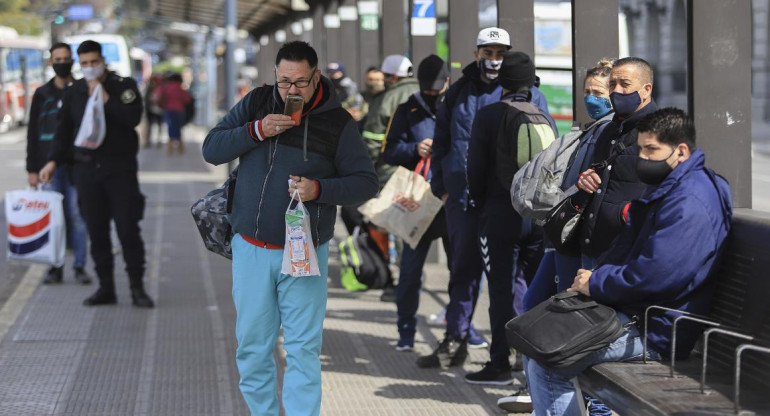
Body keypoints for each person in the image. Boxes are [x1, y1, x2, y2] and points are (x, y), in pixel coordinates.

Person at [201, 41, 378, 415]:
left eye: (300, 82)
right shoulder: (257, 103)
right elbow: (212, 148)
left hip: (305, 252)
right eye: (284, 82)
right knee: (253, 347)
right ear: (274, 77)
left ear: (316, 77)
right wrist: (255, 130)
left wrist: (320, 190)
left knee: (302, 349)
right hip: (250, 248)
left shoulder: (337, 122)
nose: (291, 91)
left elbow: (365, 182)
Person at [526, 107, 733, 415]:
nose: (643, 158)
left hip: (659, 329)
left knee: (548, 361)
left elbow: (658, 273)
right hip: (641, 313)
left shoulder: (690, 201)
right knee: (541, 337)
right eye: (641, 149)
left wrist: (596, 283)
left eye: (652, 150)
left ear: (681, 151)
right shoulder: (672, 186)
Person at [419, 27, 555, 371]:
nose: (493, 59)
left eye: (500, 53)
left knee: (513, 278)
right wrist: (443, 186)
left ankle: (516, 345)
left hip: (506, 205)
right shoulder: (459, 92)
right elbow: (443, 140)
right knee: (462, 271)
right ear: (477, 53)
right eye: (488, 52)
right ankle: (456, 337)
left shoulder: (531, 96)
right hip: (463, 200)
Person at [501, 59, 615, 414]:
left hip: (579, 244)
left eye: (599, 93)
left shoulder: (610, 132)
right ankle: (540, 388)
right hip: (562, 239)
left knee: (574, 325)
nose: (591, 99)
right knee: (534, 311)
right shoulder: (590, 130)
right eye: (587, 92)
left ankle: (594, 405)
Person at [39, 40, 152, 308]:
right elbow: (64, 132)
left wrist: (106, 100)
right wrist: (52, 161)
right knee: (96, 231)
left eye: (94, 62)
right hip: (87, 171)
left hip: (119, 171)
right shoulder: (74, 92)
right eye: (85, 64)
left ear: (102, 61)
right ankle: (106, 288)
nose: (89, 68)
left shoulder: (123, 86)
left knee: (127, 229)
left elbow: (133, 119)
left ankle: (137, 287)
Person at [465, 51, 550, 385]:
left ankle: (500, 363)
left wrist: (483, 204)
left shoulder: (488, 116)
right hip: (538, 220)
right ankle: (539, 367)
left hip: (500, 215)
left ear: (501, 80)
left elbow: (474, 170)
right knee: (538, 292)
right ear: (530, 83)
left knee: (500, 292)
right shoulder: (543, 116)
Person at [382, 54, 453, 351]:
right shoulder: (406, 108)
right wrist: (415, 148)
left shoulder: (457, 106)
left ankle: (458, 329)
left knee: (460, 269)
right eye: (428, 91)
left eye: (438, 90)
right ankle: (406, 331)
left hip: (450, 201)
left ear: (447, 82)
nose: (434, 95)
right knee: (410, 272)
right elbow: (389, 151)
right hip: (417, 201)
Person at [576, 57, 659, 269]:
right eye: (612, 84)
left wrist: (628, 214)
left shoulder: (660, 133)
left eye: (625, 84)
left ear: (646, 90)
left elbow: (671, 188)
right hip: (593, 249)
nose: (616, 91)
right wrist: (585, 180)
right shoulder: (608, 131)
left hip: (627, 255)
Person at [25, 42, 91, 285]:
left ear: (72, 61)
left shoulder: (82, 90)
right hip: (47, 168)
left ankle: (80, 266)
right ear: (51, 62)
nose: (62, 63)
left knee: (77, 216)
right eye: (57, 59)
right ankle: (55, 267)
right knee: (53, 220)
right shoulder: (42, 94)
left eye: (66, 59)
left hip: (76, 166)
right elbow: (33, 133)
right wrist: (32, 169)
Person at [154, 72, 191, 155]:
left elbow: (157, 97)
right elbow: (187, 100)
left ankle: (170, 147)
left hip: (168, 110)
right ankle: (180, 147)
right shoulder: (181, 88)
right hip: (180, 110)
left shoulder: (165, 87)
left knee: (171, 126)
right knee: (178, 127)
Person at [143, 73, 164, 148]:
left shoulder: (160, 87)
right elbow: (146, 98)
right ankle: (149, 141)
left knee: (156, 125)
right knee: (151, 125)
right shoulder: (151, 87)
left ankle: (157, 140)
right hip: (152, 109)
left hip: (157, 109)